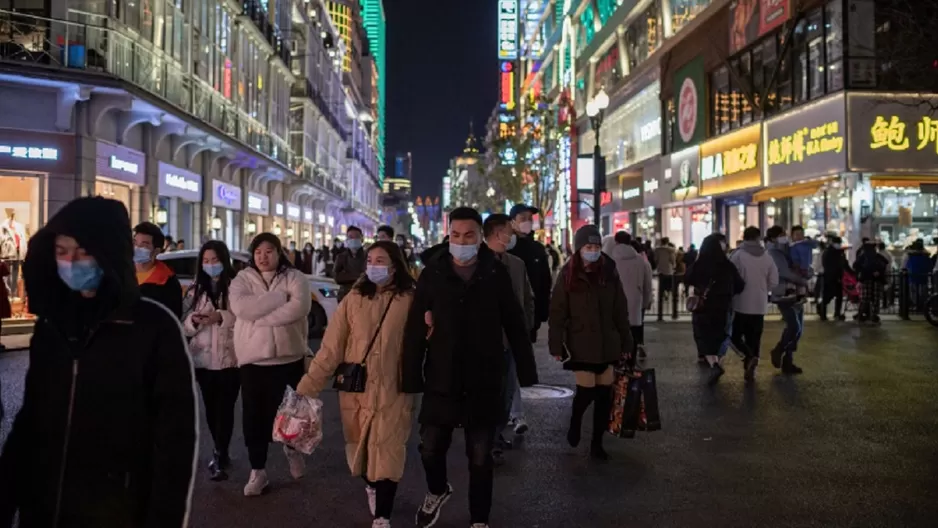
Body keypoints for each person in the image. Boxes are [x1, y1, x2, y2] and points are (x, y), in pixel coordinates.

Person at [0, 196, 197, 527]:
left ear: (108, 251)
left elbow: (174, 444)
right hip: (44, 512)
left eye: (84, 251)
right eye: (62, 252)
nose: (72, 262)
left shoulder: (153, 328)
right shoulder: (52, 327)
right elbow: (31, 422)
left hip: (117, 512)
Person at [402, 207, 537, 528]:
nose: (462, 241)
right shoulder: (433, 274)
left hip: (483, 378)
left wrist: (527, 370)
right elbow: (414, 328)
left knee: (480, 458)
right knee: (430, 448)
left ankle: (479, 519)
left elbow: (515, 322)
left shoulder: (495, 273)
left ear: (480, 238)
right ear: (448, 236)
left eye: (469, 236)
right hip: (442, 376)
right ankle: (438, 489)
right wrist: (410, 375)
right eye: (456, 235)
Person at [297, 241, 416, 528]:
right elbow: (331, 348)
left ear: (395, 264)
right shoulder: (353, 299)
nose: (374, 265)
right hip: (357, 389)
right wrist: (307, 388)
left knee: (388, 450)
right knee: (361, 450)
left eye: (381, 260)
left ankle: (382, 517)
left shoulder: (411, 299)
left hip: (395, 389)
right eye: (371, 260)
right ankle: (371, 485)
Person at [229, 233, 311, 496]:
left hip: (289, 357)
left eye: (269, 251)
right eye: (258, 252)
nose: (263, 257)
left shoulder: (295, 277)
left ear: (279, 252)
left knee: (292, 414)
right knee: (254, 416)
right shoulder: (241, 279)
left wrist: (262, 319)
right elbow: (243, 310)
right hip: (253, 360)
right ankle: (258, 471)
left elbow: (299, 307)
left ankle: (292, 449)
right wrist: (278, 298)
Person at [550, 225, 633, 459]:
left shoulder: (609, 271)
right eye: (588, 247)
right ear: (579, 249)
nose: (593, 251)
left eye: (596, 246)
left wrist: (627, 342)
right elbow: (558, 312)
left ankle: (597, 443)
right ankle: (575, 422)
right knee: (586, 391)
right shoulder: (568, 274)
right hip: (581, 342)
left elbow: (620, 310)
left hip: (608, 342)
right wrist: (556, 344)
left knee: (604, 395)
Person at [183, 240, 240, 482]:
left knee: (225, 409)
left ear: (224, 261)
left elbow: (246, 319)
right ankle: (219, 450)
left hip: (231, 361)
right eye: (206, 261)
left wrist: (221, 316)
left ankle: (220, 452)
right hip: (204, 362)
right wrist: (194, 321)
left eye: (215, 260)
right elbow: (184, 324)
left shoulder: (237, 287)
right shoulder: (194, 290)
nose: (210, 265)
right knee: (210, 407)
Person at [483, 213, 536, 462]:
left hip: (512, 340)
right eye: (509, 231)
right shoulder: (477, 262)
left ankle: (496, 432)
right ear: (497, 233)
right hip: (486, 343)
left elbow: (527, 297)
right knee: (488, 394)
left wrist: (527, 326)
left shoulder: (516, 264)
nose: (512, 235)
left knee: (507, 393)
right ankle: (489, 440)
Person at [685, 233, 744, 384]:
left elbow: (687, 278)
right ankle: (719, 361)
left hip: (703, 307)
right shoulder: (727, 265)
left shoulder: (699, 264)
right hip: (723, 306)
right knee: (721, 335)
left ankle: (714, 364)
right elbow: (740, 285)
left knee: (703, 336)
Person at [729, 227, 779, 381]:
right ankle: (751, 367)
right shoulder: (767, 257)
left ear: (744, 238)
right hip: (760, 304)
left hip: (741, 303)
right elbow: (774, 281)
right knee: (755, 337)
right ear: (759, 238)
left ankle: (749, 356)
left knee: (734, 336)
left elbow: (731, 278)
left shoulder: (737, 256)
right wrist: (763, 290)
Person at [765, 226, 808, 374]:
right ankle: (779, 350)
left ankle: (788, 360)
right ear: (773, 238)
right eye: (781, 235)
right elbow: (784, 272)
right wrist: (802, 280)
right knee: (794, 327)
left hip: (795, 293)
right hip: (783, 294)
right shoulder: (774, 252)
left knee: (797, 329)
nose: (785, 237)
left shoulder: (787, 250)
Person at [605, 231, 653, 359]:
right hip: (635, 302)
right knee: (632, 334)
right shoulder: (640, 260)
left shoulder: (609, 260)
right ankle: (630, 364)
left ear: (616, 242)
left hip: (614, 303)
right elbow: (647, 284)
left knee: (616, 333)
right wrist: (646, 302)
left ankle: (618, 364)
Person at [508, 203, 552, 342]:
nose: (527, 222)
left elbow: (545, 281)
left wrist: (543, 311)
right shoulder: (506, 247)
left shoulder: (537, 249)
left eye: (529, 218)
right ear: (512, 222)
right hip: (509, 314)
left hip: (532, 316)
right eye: (523, 218)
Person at [133, 221, 183, 318]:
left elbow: (173, 319)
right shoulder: (121, 274)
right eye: (135, 243)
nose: (137, 248)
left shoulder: (168, 282)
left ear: (156, 251)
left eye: (144, 245)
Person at [854, 238, 889, 323]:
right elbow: (885, 262)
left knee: (865, 298)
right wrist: (878, 272)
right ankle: (873, 315)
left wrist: (863, 272)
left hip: (866, 279)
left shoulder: (863, 256)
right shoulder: (876, 256)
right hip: (876, 280)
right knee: (875, 299)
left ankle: (861, 314)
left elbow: (855, 265)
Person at [334, 226, 366, 302]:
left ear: (362, 239)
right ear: (347, 240)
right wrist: (359, 275)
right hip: (344, 296)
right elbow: (337, 277)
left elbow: (368, 277)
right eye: (351, 237)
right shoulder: (341, 257)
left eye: (357, 237)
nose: (354, 239)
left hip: (364, 296)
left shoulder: (368, 256)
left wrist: (346, 275)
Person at [903, 239, 932, 310]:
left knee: (914, 292)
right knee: (922, 292)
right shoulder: (926, 256)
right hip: (923, 277)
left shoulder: (911, 256)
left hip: (913, 277)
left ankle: (917, 305)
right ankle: (922, 305)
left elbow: (906, 266)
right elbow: (929, 267)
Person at [789, 226, 817, 292]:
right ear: (792, 236)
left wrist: (809, 240)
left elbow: (815, 244)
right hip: (796, 270)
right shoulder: (791, 246)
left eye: (801, 234)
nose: (799, 236)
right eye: (797, 234)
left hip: (807, 269)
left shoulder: (807, 244)